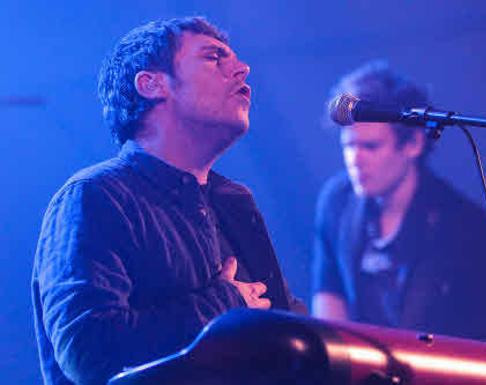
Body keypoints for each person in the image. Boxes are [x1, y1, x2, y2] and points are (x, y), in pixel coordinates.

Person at [32, 16, 303, 385]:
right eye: (214, 58)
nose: (242, 69)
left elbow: (289, 328)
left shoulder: (235, 203)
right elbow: (90, 351)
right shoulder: (95, 195)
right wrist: (222, 307)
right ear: (151, 84)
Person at [311, 61, 486, 346]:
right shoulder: (337, 201)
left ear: (413, 144)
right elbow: (329, 295)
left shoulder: (466, 227)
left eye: (371, 147)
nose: (355, 159)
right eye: (349, 146)